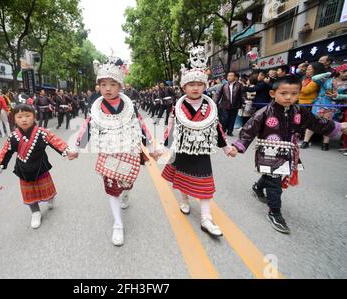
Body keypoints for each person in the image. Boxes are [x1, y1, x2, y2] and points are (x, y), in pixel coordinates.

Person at [231, 75, 347, 234]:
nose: (288, 97)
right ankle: (275, 213)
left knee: (274, 177)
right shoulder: (264, 112)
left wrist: (338, 126)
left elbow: (316, 123)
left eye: (293, 94)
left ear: (299, 94)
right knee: (275, 182)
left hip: (288, 151)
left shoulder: (300, 111)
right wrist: (238, 146)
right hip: (268, 152)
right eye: (283, 93)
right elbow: (249, 129)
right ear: (273, 94)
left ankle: (258, 187)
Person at [153, 46, 237, 237]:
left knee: (206, 185)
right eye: (191, 85)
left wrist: (226, 147)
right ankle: (184, 200)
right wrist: (163, 146)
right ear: (184, 87)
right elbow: (171, 128)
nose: (195, 87)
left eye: (199, 84)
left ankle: (206, 218)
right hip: (182, 149)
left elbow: (217, 128)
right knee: (182, 178)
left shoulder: (210, 106)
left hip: (202, 150)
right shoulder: (178, 107)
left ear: (205, 86)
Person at [75, 57, 154, 246]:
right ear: (99, 87)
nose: (107, 88)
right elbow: (87, 126)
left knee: (126, 184)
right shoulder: (95, 108)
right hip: (108, 152)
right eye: (103, 84)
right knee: (112, 189)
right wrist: (76, 147)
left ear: (120, 86)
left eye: (112, 84)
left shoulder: (130, 106)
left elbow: (141, 125)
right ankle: (118, 224)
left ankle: (126, 193)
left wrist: (151, 145)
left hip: (128, 150)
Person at [0, 104, 78, 229]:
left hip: (41, 167)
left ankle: (50, 198)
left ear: (34, 117)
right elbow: (5, 153)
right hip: (23, 170)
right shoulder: (13, 137)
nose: (24, 119)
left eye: (28, 116)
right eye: (19, 116)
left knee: (47, 189)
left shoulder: (42, 133)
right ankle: (35, 212)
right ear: (14, 119)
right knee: (29, 194)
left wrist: (68, 151)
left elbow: (56, 141)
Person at [308, 63, 347, 151]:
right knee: (313, 121)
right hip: (320, 104)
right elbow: (314, 78)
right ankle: (306, 141)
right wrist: (327, 73)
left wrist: (338, 96)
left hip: (334, 106)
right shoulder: (328, 79)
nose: (346, 74)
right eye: (344, 71)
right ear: (339, 71)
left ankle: (325, 143)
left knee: (330, 124)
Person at [299, 62, 326, 149]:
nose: (307, 71)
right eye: (307, 69)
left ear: (316, 70)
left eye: (309, 69)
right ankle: (304, 139)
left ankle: (310, 140)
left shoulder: (317, 80)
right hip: (302, 102)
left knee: (310, 122)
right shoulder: (306, 79)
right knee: (304, 122)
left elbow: (305, 91)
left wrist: (300, 87)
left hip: (310, 103)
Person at [216, 72, 247, 136]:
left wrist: (244, 101)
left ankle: (230, 131)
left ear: (235, 77)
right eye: (228, 76)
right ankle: (223, 130)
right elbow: (218, 94)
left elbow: (243, 94)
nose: (229, 77)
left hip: (235, 105)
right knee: (225, 118)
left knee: (232, 119)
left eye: (231, 76)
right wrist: (215, 102)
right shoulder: (224, 85)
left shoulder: (239, 85)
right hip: (224, 105)